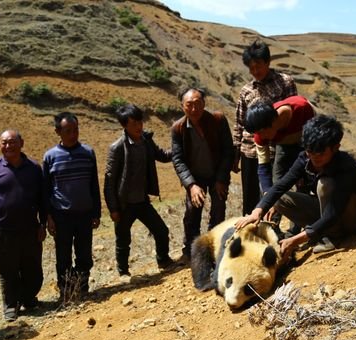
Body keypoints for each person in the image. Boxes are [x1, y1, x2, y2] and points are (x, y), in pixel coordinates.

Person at [235, 115, 356, 256]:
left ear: (335, 148)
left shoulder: (346, 168)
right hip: (329, 213)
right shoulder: (305, 158)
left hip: (353, 217)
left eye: (320, 153)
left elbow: (333, 212)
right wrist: (257, 211)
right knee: (279, 199)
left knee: (324, 185)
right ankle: (322, 231)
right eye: (310, 152)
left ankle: (333, 236)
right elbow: (280, 186)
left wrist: (296, 240)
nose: (314, 158)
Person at [0, 129, 46, 322]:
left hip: (30, 230)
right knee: (8, 270)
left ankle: (28, 298)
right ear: (0, 145)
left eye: (12, 142)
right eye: (4, 143)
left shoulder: (34, 168)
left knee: (32, 268)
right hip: (4, 231)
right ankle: (10, 305)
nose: (8, 146)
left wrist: (42, 223)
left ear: (21, 143)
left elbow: (42, 199)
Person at [104, 104, 177, 276]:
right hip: (124, 204)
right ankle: (123, 273)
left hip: (142, 201)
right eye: (133, 123)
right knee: (123, 240)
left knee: (161, 231)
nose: (138, 126)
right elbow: (109, 181)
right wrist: (113, 208)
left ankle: (164, 261)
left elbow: (163, 156)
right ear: (124, 126)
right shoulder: (117, 148)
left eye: (140, 122)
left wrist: (179, 149)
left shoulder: (146, 140)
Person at [233, 40, 297, 216]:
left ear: (268, 62)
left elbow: (292, 114)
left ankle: (272, 232)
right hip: (250, 150)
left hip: (276, 148)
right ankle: (250, 235)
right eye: (251, 68)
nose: (255, 72)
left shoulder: (285, 83)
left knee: (273, 194)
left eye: (258, 66)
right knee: (250, 197)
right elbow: (239, 122)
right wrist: (236, 153)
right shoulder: (246, 91)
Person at [171, 88, 234, 261]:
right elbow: (178, 159)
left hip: (216, 173)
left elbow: (228, 151)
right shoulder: (178, 128)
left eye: (198, 104)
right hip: (195, 177)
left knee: (218, 208)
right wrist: (191, 185)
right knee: (192, 212)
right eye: (189, 105)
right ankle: (191, 250)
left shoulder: (218, 120)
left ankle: (215, 246)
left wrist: (221, 179)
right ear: (182, 107)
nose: (194, 109)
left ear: (204, 104)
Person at [43, 112, 101, 300]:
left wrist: (96, 212)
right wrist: (48, 218)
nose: (72, 134)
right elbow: (46, 190)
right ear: (58, 131)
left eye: (75, 130)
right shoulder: (50, 157)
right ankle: (66, 292)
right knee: (63, 257)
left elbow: (94, 185)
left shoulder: (88, 153)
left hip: (84, 213)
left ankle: (82, 289)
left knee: (84, 255)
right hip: (61, 216)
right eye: (68, 130)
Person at [244, 95, 315, 193]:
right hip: (284, 144)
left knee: (306, 181)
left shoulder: (302, 109)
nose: (261, 136)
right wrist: (267, 193)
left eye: (262, 132)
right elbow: (263, 166)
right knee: (277, 183)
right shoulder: (260, 133)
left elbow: (315, 141)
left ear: (273, 122)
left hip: (306, 141)